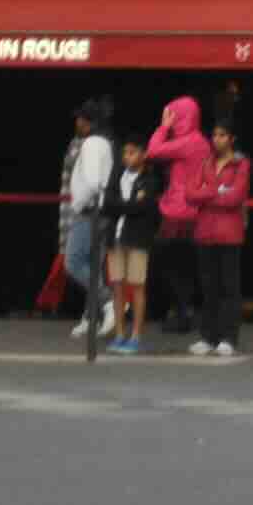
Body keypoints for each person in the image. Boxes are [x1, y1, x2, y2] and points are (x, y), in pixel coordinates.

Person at [144, 94, 210, 341]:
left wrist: (163, 127)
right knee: (187, 267)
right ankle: (187, 311)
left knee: (170, 264)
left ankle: (183, 312)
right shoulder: (201, 141)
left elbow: (152, 151)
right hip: (194, 212)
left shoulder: (187, 142)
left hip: (178, 213)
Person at [191, 120, 251, 358]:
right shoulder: (205, 162)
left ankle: (228, 338)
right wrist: (216, 191)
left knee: (229, 288)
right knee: (208, 288)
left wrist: (207, 193)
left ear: (232, 139)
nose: (217, 139)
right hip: (205, 233)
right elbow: (190, 193)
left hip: (229, 234)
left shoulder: (241, 164)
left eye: (222, 135)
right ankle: (208, 337)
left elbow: (235, 197)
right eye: (214, 135)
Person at [97, 134, 161, 353]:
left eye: (132, 152)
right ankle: (119, 334)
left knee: (137, 286)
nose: (127, 157)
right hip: (115, 238)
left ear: (143, 154)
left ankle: (136, 335)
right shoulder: (117, 176)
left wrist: (122, 205)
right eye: (125, 152)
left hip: (137, 239)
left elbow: (142, 208)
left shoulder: (150, 180)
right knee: (117, 286)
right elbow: (107, 204)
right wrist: (128, 204)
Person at [60, 103, 113, 337]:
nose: (77, 123)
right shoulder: (105, 143)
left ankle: (108, 301)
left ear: (89, 122)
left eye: (81, 119)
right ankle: (91, 316)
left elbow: (92, 182)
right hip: (101, 212)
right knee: (93, 267)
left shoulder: (91, 143)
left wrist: (78, 205)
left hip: (89, 211)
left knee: (73, 263)